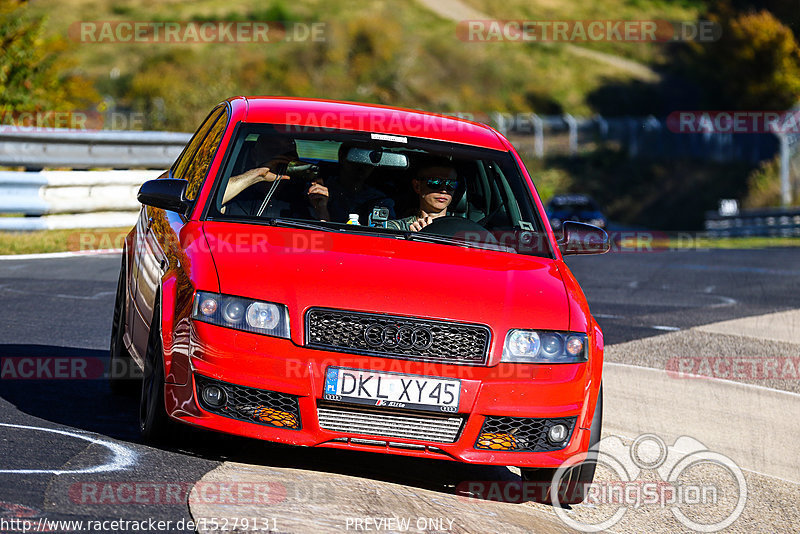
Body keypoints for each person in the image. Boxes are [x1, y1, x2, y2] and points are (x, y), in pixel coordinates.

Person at [306, 143, 394, 223]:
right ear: (342, 157)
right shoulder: (317, 192)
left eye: (369, 160)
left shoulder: (381, 201)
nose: (362, 165)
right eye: (356, 157)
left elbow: (391, 235)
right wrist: (321, 209)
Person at [220, 135, 299, 215]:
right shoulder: (239, 195)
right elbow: (210, 198)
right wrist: (258, 174)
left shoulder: (303, 196)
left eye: (288, 153)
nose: (280, 157)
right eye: (272, 150)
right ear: (254, 155)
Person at [388, 164, 459, 231]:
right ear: (417, 186)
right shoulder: (397, 228)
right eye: (435, 182)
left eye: (451, 184)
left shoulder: (461, 229)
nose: (444, 190)